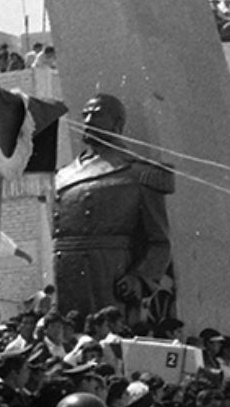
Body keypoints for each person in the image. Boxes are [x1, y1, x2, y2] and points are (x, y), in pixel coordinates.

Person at [52, 93, 175, 329]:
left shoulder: (138, 173)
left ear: (117, 124)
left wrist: (139, 278)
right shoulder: (63, 174)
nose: (87, 120)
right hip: (67, 272)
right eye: (85, 114)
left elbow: (160, 241)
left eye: (96, 115)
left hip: (107, 275)